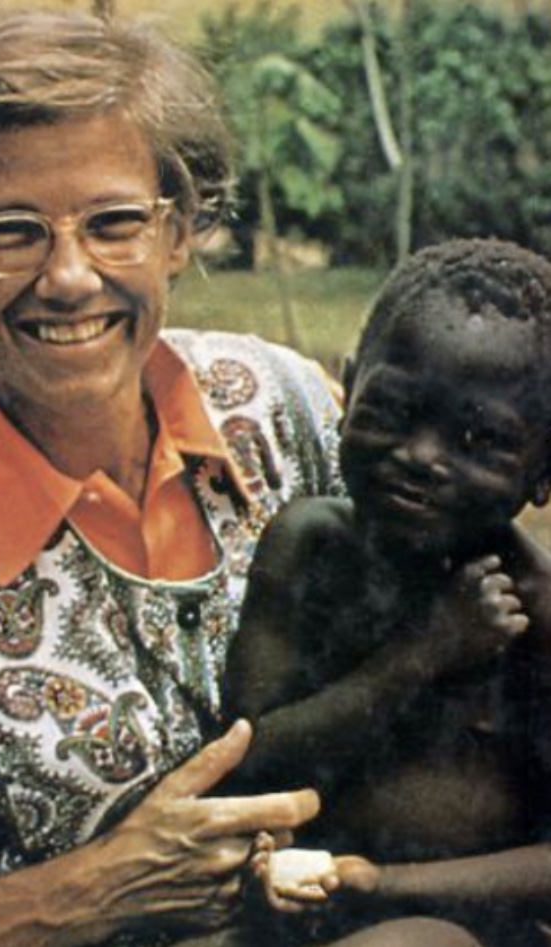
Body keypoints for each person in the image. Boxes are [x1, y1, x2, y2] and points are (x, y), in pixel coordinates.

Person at [0, 9, 349, 945]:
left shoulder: (291, 411)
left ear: (179, 233)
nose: (71, 277)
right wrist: (83, 895)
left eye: (116, 223)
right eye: (10, 233)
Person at [223, 238, 551, 947]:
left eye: (480, 441)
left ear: (543, 468)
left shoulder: (539, 611)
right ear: (348, 390)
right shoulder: (310, 547)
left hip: (463, 925)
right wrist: (424, 653)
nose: (420, 456)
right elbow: (246, 763)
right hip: (293, 912)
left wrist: (380, 883)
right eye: (391, 411)